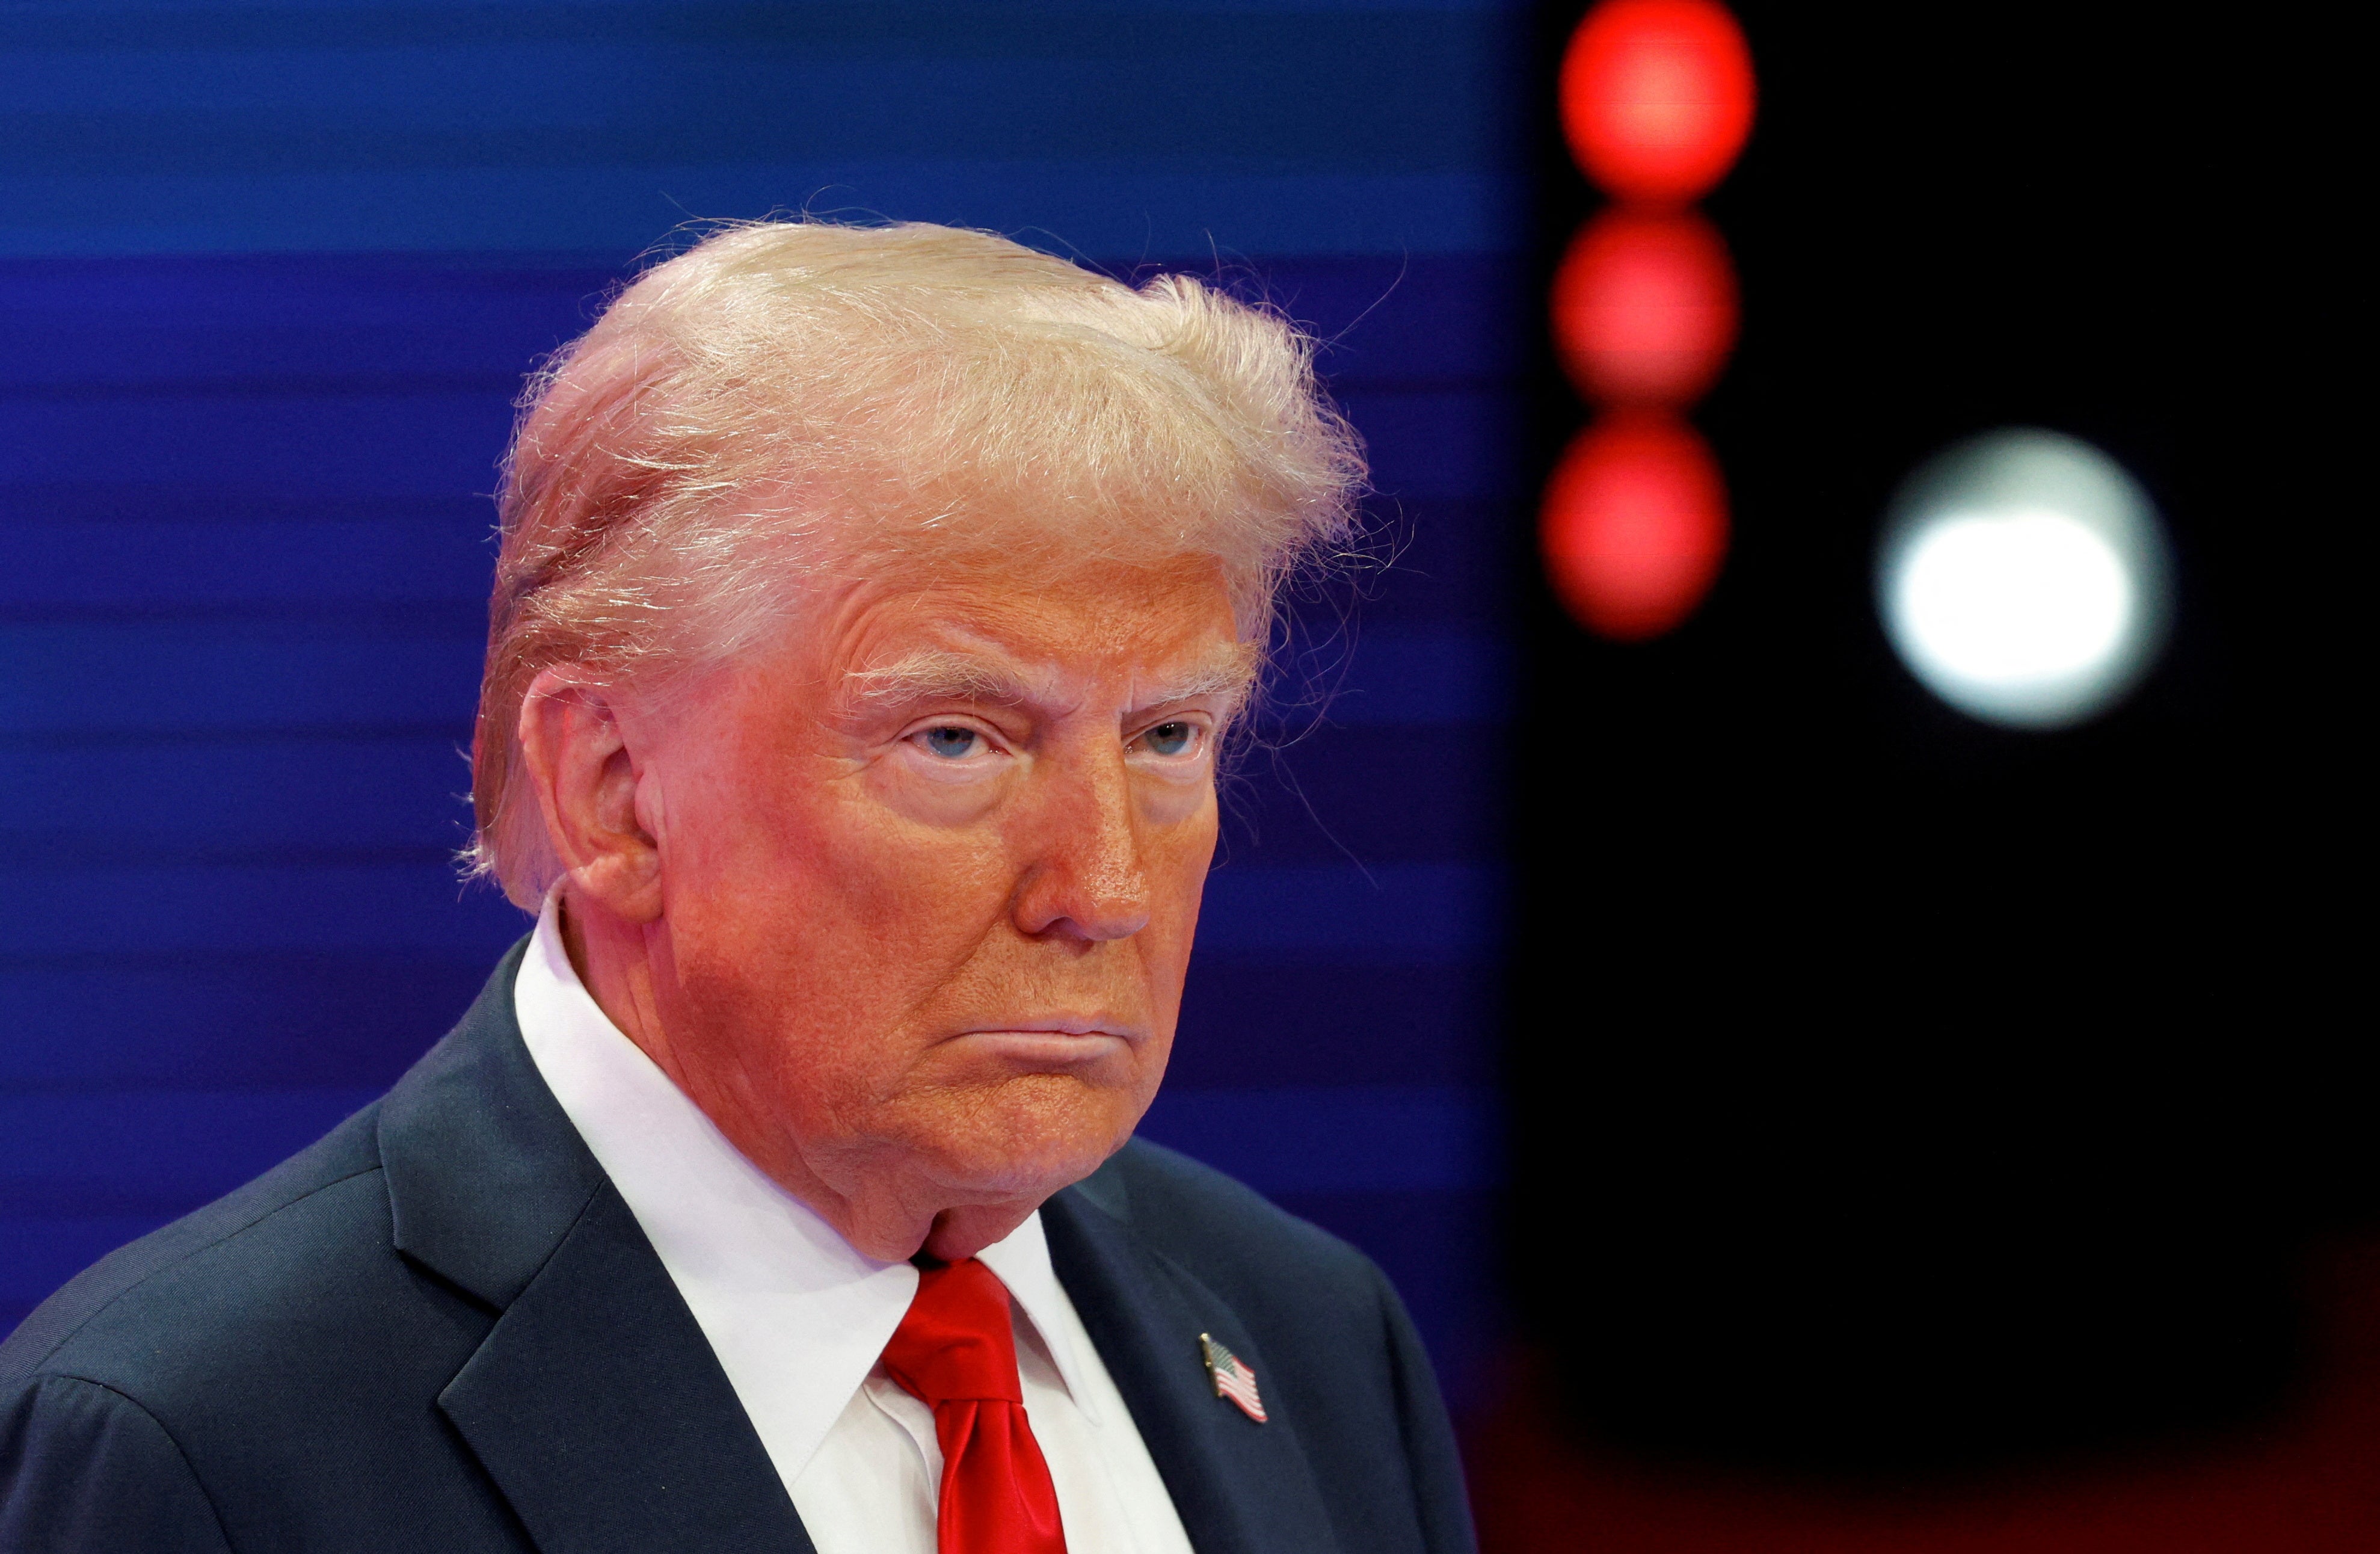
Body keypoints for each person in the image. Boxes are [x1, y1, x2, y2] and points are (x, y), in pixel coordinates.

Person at [0, 220, 1474, 1554]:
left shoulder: (1310, 1330)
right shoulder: (193, 1445)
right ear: (613, 789)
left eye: (1167, 735)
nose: (1102, 886)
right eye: (955, 737)